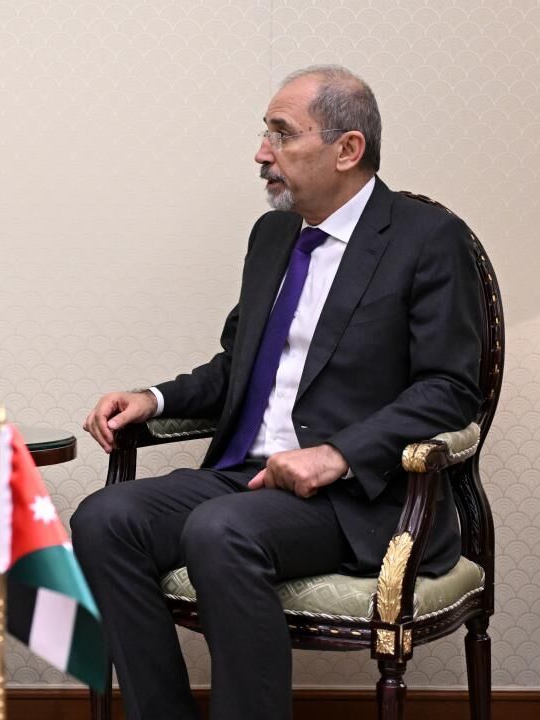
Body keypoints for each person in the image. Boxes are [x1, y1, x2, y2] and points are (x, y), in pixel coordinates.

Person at [71, 65, 483, 720]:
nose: (262, 153)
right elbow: (238, 366)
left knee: (219, 529)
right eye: (265, 133)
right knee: (103, 519)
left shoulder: (427, 239)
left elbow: (450, 389)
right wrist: (155, 398)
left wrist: (337, 455)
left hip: (357, 497)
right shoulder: (273, 235)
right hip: (248, 476)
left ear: (347, 149)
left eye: (282, 134)